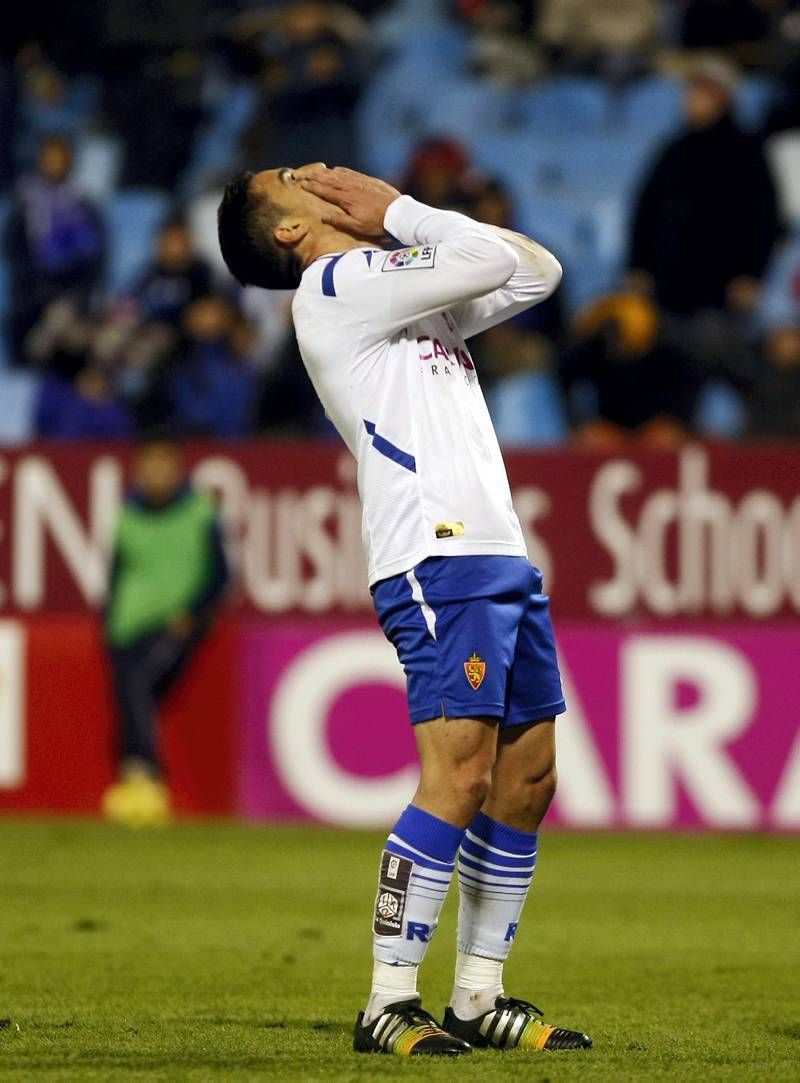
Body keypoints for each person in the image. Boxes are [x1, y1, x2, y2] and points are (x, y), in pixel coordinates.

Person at [217, 163, 591, 1056]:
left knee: (527, 777)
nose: (326, 176)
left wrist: (402, 218)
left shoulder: (400, 293)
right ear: (288, 232)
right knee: (458, 777)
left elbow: (536, 270)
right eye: (297, 178)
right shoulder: (336, 286)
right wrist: (400, 211)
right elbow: (485, 258)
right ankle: (387, 999)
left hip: (497, 551)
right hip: (437, 553)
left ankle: (476, 996)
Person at [102, 437, 229, 826]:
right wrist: (109, 620)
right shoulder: (127, 514)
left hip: (174, 625)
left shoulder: (200, 511)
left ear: (178, 469)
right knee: (130, 698)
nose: (156, 474)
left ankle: (148, 778)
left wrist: (194, 615)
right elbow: (116, 574)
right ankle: (134, 784)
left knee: (139, 687)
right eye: (149, 466)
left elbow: (220, 574)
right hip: (126, 627)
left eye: (163, 465)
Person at [629, 56, 780, 317]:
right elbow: (646, 209)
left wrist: (752, 274)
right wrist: (638, 267)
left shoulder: (747, 151)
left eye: (702, 91)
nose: (690, 98)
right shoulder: (673, 149)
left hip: (721, 291)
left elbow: (763, 217)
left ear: (722, 97)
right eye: (691, 90)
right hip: (667, 286)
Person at [4, 133, 104, 360]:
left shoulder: (84, 204)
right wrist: (42, 293)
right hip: (32, 299)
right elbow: (14, 253)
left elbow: (95, 261)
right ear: (40, 160)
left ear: (70, 161)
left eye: (61, 158)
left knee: (76, 332)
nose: (55, 164)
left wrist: (75, 297)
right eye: (50, 157)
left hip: (72, 299)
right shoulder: (25, 203)